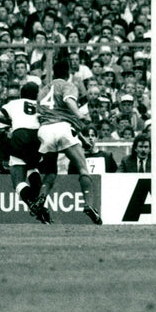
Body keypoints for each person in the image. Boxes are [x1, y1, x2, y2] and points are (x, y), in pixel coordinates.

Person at [30, 58, 103, 225]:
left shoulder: (42, 91)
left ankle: (41, 199)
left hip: (45, 131)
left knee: (50, 172)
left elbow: (45, 115)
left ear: (53, 72)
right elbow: (68, 103)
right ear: (69, 72)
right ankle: (89, 205)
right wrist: (79, 114)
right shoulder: (68, 85)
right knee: (83, 168)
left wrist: (83, 139)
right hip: (62, 128)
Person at [0, 81, 56, 223]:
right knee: (32, 167)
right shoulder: (41, 105)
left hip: (20, 134)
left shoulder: (14, 103)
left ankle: (32, 204)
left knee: (18, 181)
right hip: (38, 136)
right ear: (36, 94)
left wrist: (12, 122)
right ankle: (38, 204)